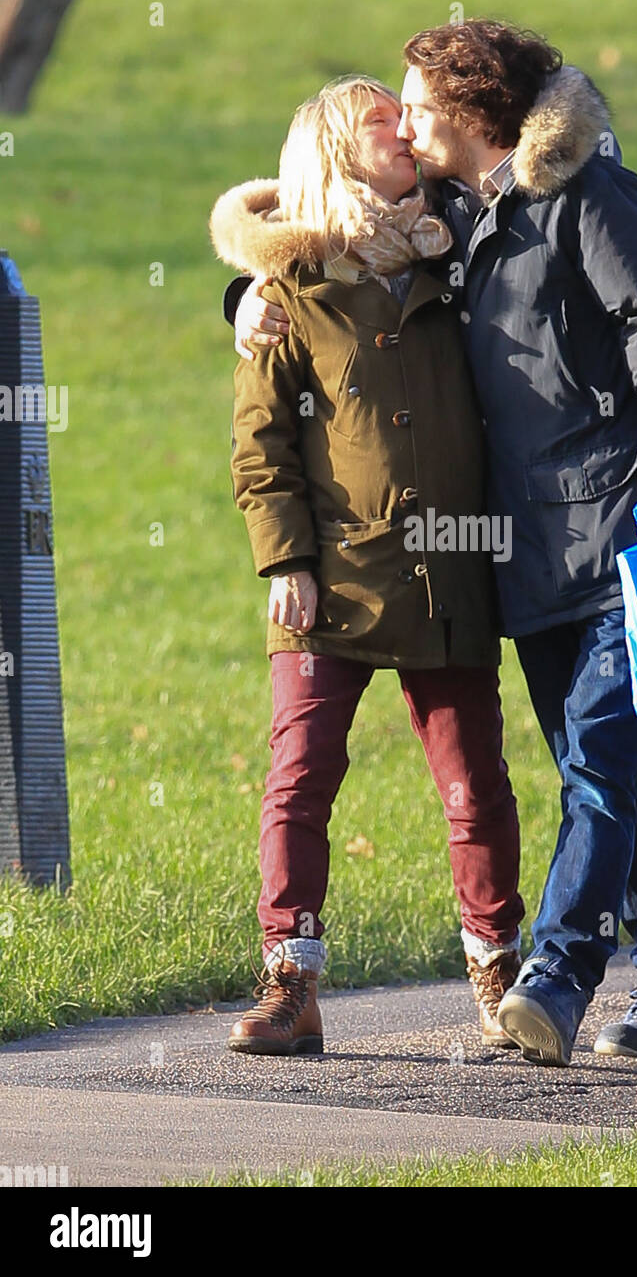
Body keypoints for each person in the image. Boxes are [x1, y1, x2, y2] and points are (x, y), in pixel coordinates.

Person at [230, 22, 637, 1069]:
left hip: (618, 532)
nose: (406, 128)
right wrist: (245, 297)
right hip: (522, 556)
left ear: (467, 114)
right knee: (597, 771)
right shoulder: (464, 213)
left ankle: (550, 979)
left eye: (416, 108)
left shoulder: (588, 194)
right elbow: (313, 231)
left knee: (592, 763)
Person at [209, 75, 524, 1056]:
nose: (404, 132)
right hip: (327, 580)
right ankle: (290, 983)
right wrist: (283, 561)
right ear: (339, 154)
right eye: (381, 124)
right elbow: (260, 448)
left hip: (449, 572)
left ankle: (500, 977)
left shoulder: (465, 256)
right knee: (298, 778)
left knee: (474, 784)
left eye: (405, 118)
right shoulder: (286, 296)